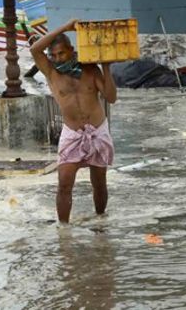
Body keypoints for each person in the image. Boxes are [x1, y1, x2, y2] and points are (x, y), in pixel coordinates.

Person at [30, 19, 117, 224]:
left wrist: (106, 67)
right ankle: (64, 230)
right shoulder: (51, 72)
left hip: (97, 131)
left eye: (62, 53)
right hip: (72, 133)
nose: (58, 58)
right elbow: (35, 49)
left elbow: (111, 98)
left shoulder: (89, 70)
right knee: (64, 184)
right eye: (54, 55)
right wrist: (64, 27)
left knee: (99, 184)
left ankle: (101, 221)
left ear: (71, 50)